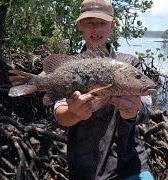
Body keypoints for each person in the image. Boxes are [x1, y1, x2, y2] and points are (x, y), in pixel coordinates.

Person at [54, 0, 155, 179]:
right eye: (90, 23)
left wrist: (133, 112)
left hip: (130, 163)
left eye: (101, 23)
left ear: (112, 25)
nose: (96, 29)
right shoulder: (69, 67)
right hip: (85, 169)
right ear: (79, 25)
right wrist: (74, 113)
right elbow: (60, 114)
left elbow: (146, 109)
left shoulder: (130, 64)